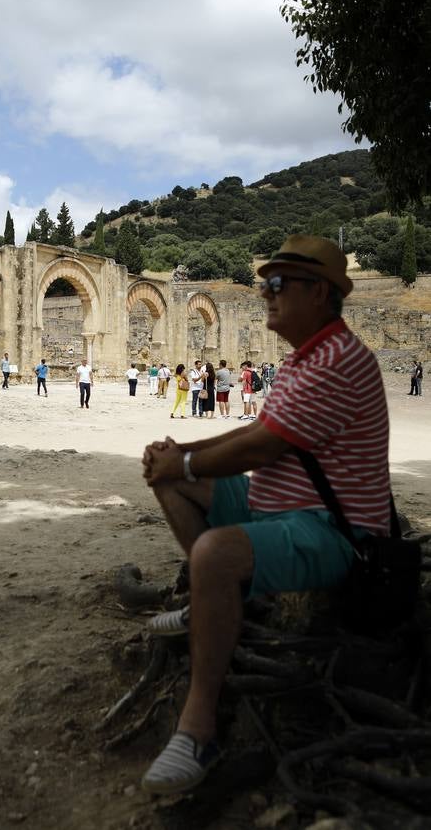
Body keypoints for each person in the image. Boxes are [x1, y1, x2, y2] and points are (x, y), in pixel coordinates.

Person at [140, 235, 390, 795]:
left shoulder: (337, 360)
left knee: (213, 550)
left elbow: (263, 448)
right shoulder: (305, 356)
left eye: (278, 284)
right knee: (172, 477)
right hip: (278, 509)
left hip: (334, 529)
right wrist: (179, 454)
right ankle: (212, 605)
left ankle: (198, 728)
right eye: (264, 284)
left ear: (320, 292)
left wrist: (183, 456)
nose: (265, 294)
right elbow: (253, 432)